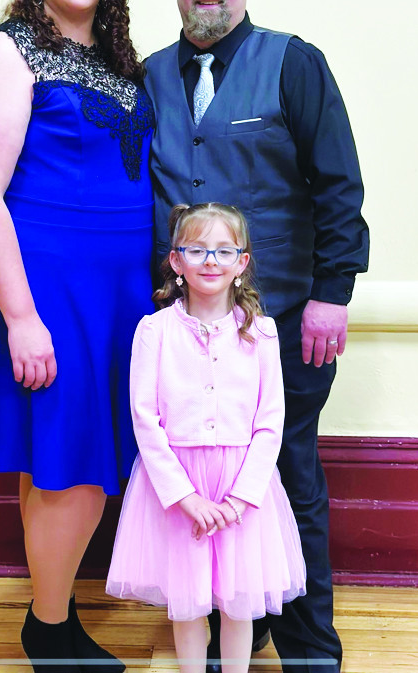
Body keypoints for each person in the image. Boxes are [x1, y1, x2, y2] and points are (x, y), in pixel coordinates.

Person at [0, 0, 155, 673]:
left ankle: (51, 620)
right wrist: (22, 317)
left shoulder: (117, 61)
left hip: (118, 294)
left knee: (61, 461)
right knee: (80, 466)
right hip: (47, 290)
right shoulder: (7, 50)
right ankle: (49, 629)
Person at [142, 0, 369, 673]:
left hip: (284, 316)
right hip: (187, 327)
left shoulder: (293, 63)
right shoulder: (149, 77)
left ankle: (309, 650)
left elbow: (339, 184)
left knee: (284, 470)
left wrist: (332, 293)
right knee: (202, 473)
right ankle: (233, 629)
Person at [106, 202, 307, 673]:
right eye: (196, 250)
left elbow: (270, 421)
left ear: (243, 262)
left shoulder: (262, 333)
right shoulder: (153, 332)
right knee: (190, 600)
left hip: (243, 487)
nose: (210, 261)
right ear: (176, 261)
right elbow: (145, 420)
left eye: (223, 251)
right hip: (179, 487)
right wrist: (185, 498)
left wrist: (239, 500)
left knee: (239, 603)